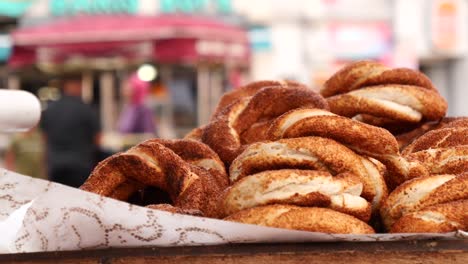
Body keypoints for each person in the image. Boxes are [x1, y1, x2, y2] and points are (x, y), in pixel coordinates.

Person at [40, 74, 101, 188]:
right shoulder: (86, 109)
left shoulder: (50, 109)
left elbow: (44, 139)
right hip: (81, 166)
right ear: (77, 86)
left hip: (56, 166)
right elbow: (97, 138)